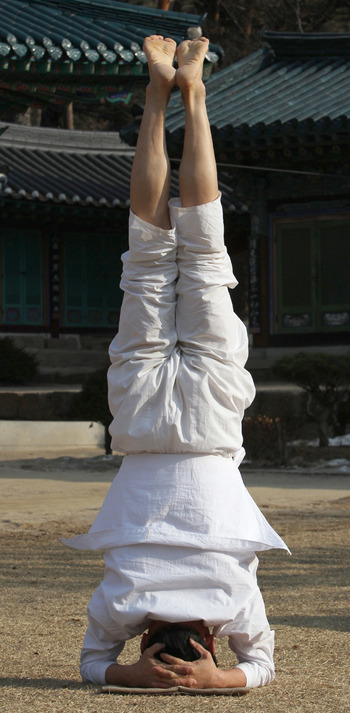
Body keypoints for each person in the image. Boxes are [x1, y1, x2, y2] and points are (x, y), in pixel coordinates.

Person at [63, 35, 289, 690]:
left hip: (206, 430)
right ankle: (161, 96)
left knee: (202, 250)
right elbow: (90, 664)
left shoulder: (230, 603)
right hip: (143, 428)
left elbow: (261, 666)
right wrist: (137, 672)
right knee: (150, 255)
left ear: (212, 638)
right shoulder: (124, 603)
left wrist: (213, 678)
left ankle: (191, 94)